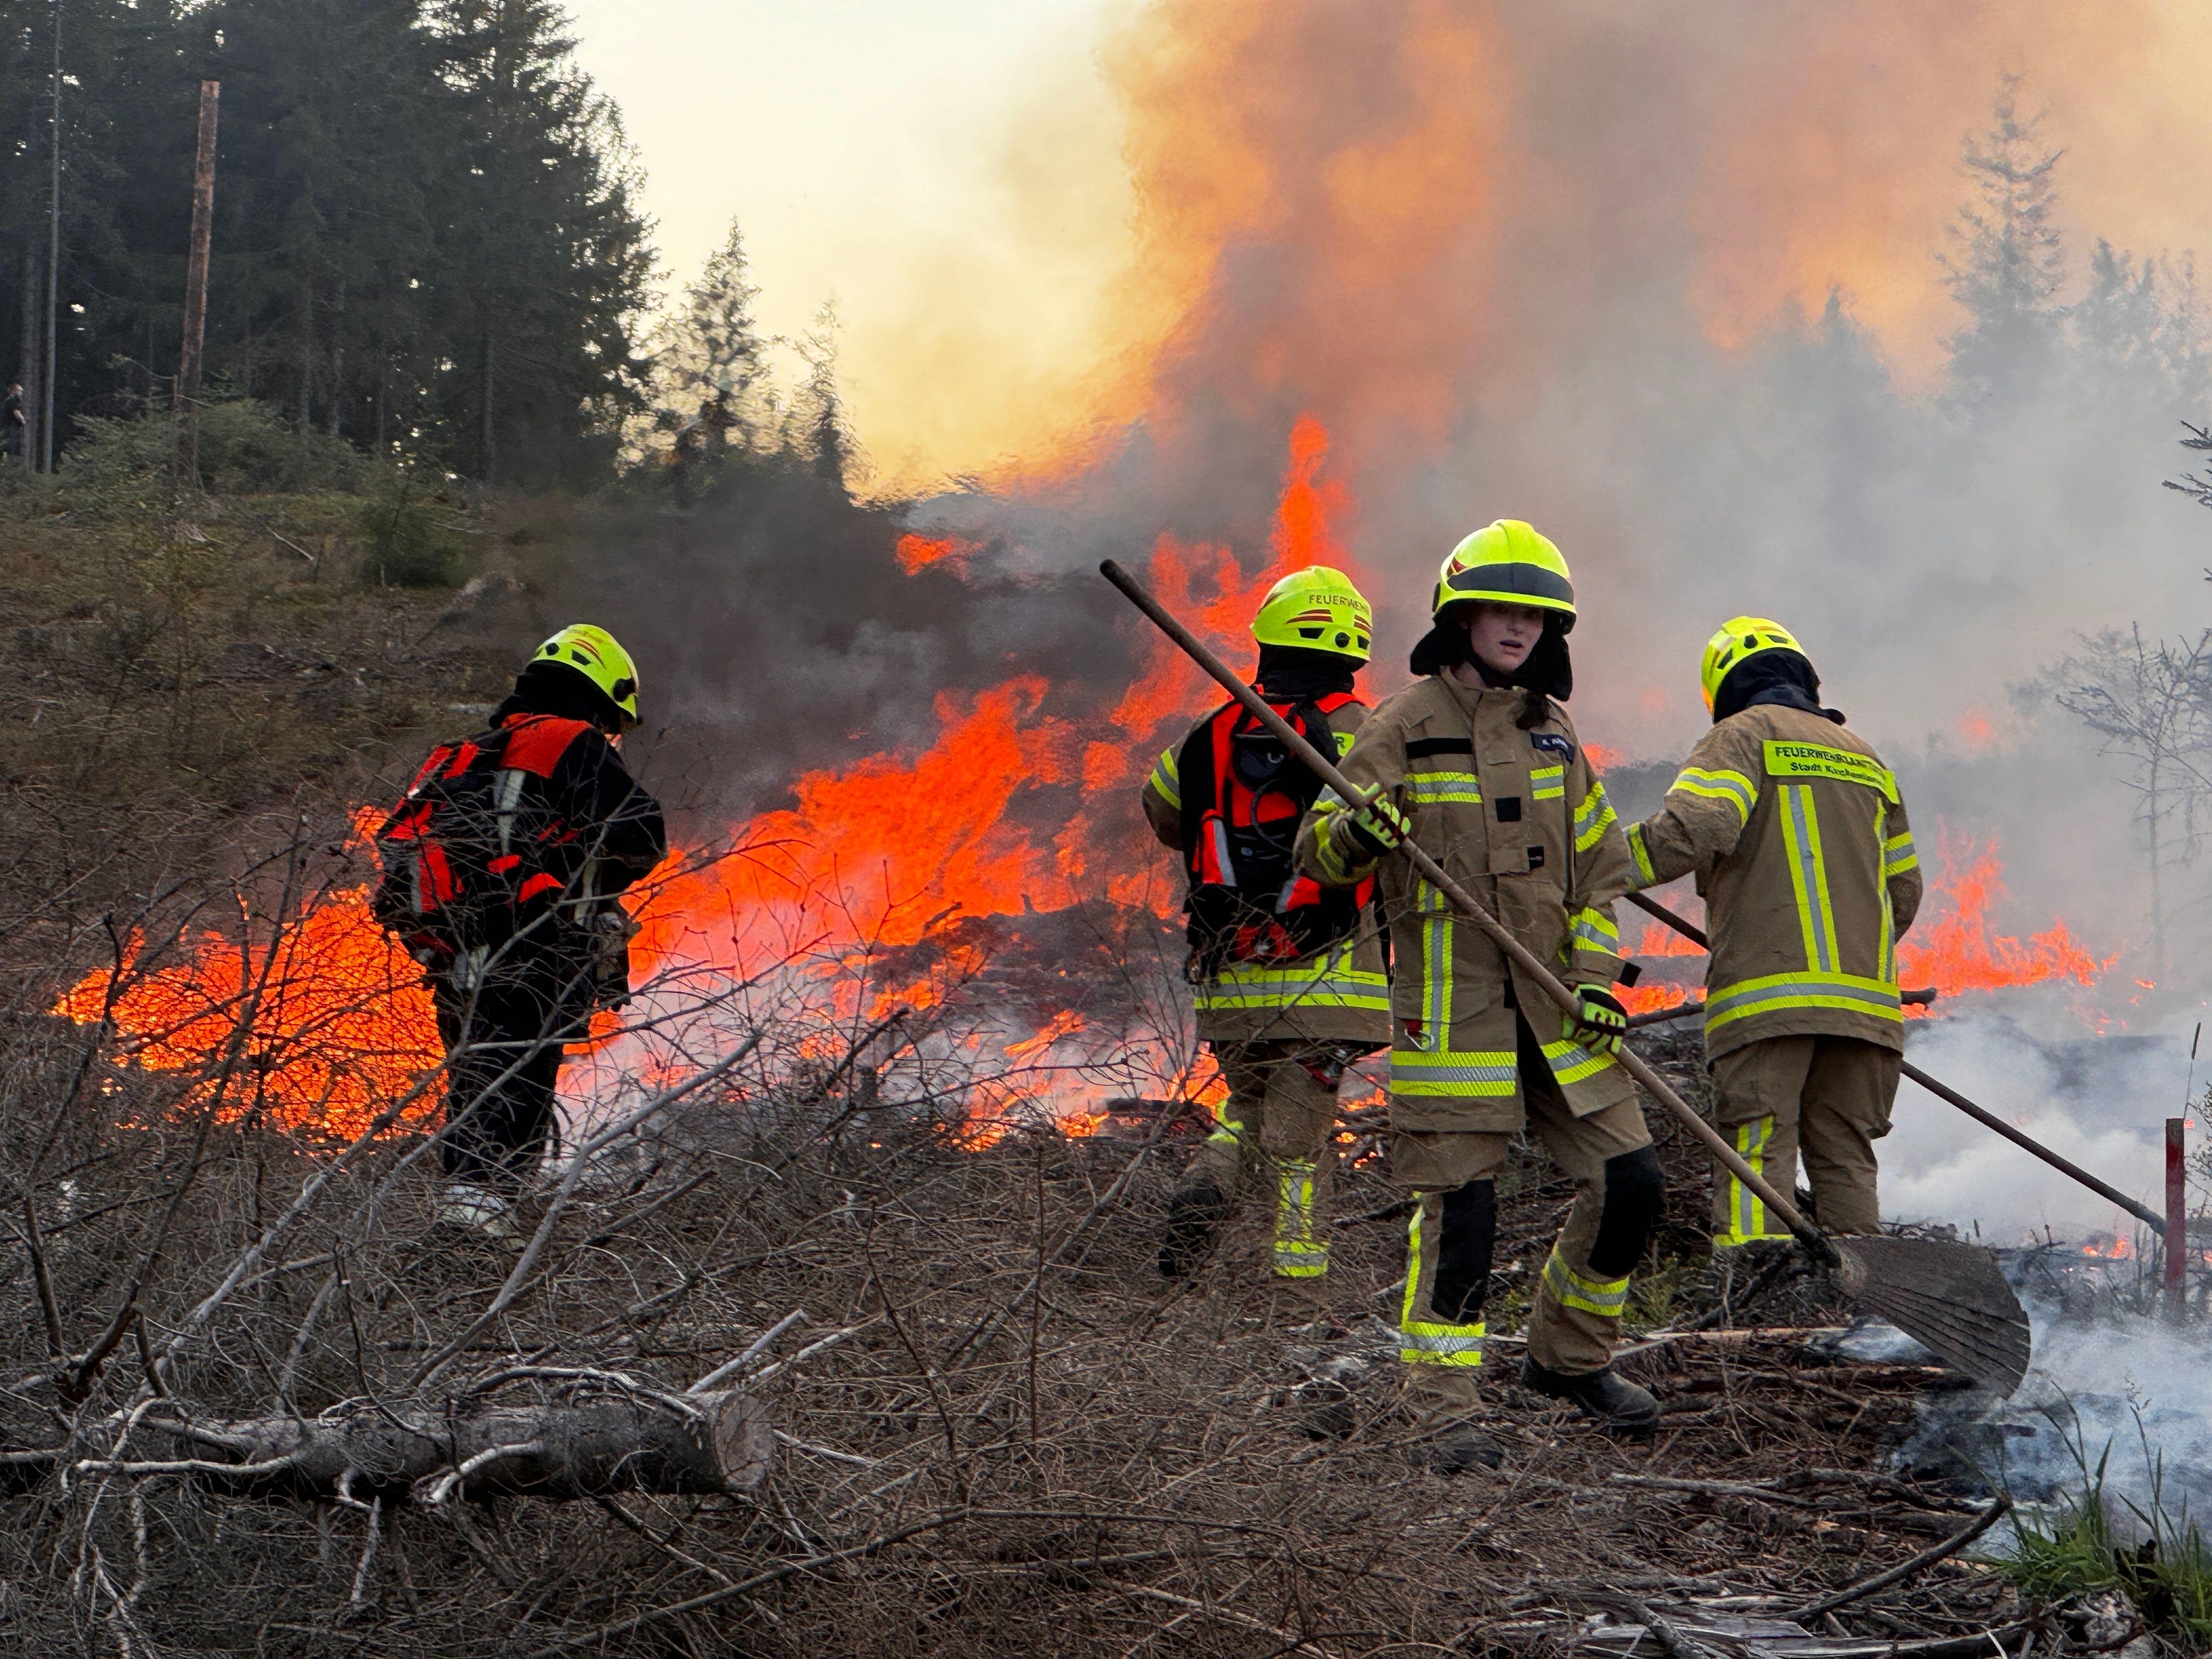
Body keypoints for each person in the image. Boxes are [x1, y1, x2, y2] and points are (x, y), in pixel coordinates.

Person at [1295, 520, 1666, 1455]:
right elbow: (1318, 848)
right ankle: (1443, 1415)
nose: (1519, 627)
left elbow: (1598, 870)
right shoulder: (1401, 726)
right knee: (1461, 1211)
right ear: (1459, 616)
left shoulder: (1553, 732)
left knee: (1631, 1181)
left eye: (1537, 616)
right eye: (1501, 608)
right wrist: (1361, 833)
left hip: (1556, 1004)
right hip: (1452, 1009)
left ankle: (1569, 1358)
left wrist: (1589, 976)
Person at [1617, 617, 1921, 1254]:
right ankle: (1850, 1312)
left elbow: (1695, 829)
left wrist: (1594, 865)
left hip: (1767, 999)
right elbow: (1905, 893)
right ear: (1806, 679)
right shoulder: (1868, 759)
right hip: (1865, 1008)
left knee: (1757, 1152)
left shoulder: (1742, 737)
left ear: (1724, 690)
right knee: (1846, 1158)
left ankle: (1757, 1310)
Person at [1140, 566, 1391, 1305]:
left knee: (1248, 1112)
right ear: (1355, 653)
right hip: (1327, 979)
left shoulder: (1205, 735)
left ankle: (1208, 1182)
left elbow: (1161, 814)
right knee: (1303, 1149)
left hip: (1229, 977)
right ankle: (1297, 1304)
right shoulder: (1370, 732)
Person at [374, 625, 667, 1238]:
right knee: (516, 1094)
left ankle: (475, 1224)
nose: (610, 737)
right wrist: (579, 874)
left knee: (476, 1089)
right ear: (597, 693)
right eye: (612, 722)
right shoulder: (570, 740)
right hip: (532, 955)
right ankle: (476, 1247)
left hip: (454, 961)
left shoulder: (459, 754)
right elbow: (643, 837)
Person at [2, 382, 24, 463]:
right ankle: (6, 462)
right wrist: (23, 420)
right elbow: (16, 412)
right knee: (10, 445)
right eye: (20, 391)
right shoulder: (12, 400)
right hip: (11, 426)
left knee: (9, 445)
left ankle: (4, 462)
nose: (21, 393)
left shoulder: (10, 400)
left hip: (9, 425)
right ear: (15, 391)